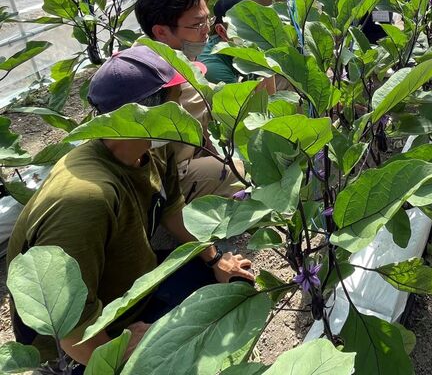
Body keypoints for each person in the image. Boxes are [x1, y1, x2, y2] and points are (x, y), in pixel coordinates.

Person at [6, 47, 254, 372]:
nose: (184, 113)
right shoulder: (85, 198)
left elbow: (173, 211)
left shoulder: (151, 147)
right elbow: (69, 325)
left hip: (132, 288)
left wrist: (215, 258)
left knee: (238, 291)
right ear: (141, 115)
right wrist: (120, 350)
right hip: (79, 341)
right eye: (176, 103)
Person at [134, 0, 242, 200]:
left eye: (207, 21)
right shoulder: (164, 74)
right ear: (161, 31)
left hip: (174, 158)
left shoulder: (148, 51)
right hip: (164, 177)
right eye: (197, 24)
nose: (205, 30)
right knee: (240, 171)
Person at [198, 0, 248, 84]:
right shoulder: (213, 68)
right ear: (221, 31)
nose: (252, 31)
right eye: (242, 27)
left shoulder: (238, 47)